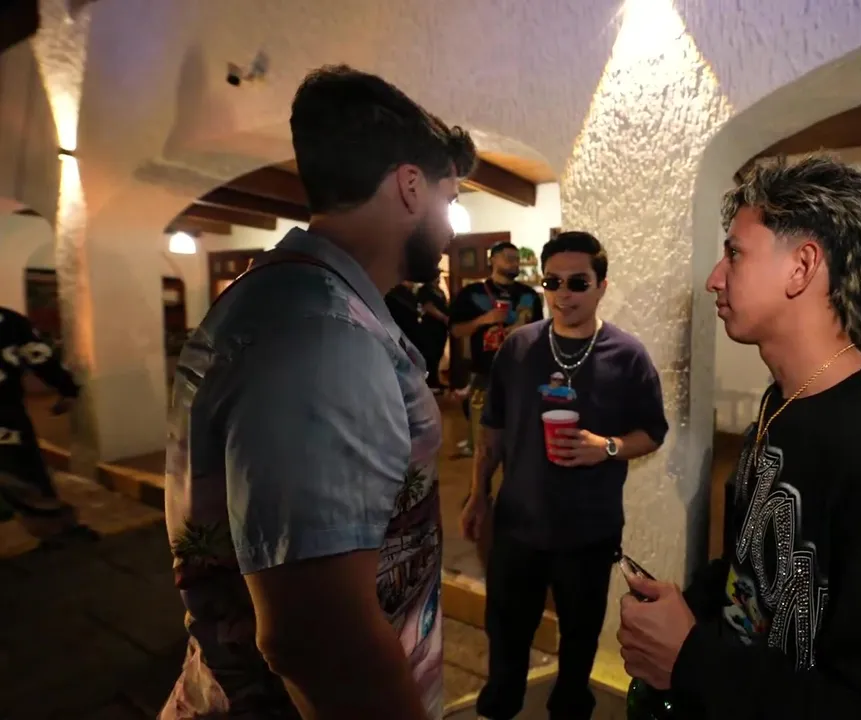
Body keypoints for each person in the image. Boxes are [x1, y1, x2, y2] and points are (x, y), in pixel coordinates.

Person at [616, 156, 861, 719]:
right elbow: (758, 569)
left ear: (802, 267)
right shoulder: (782, 404)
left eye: (734, 253)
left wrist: (692, 659)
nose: (714, 278)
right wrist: (690, 609)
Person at [161, 65, 475, 719]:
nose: (452, 226)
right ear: (410, 187)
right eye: (449, 198)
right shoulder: (325, 334)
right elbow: (316, 636)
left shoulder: (311, 301)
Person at [460, 231, 668, 720]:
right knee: (506, 636)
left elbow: (652, 432)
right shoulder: (518, 347)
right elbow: (492, 430)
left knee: (579, 641)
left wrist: (607, 447)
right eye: (552, 282)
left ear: (601, 286)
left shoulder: (627, 355)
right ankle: (499, 709)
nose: (563, 294)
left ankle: (570, 709)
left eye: (578, 282)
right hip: (518, 525)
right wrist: (478, 495)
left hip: (588, 529)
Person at [0, 306, 97, 548]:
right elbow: (38, 356)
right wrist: (67, 388)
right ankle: (56, 529)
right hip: (4, 417)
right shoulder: (8, 322)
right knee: (23, 473)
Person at [449, 241, 543, 455]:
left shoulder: (529, 295)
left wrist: (520, 329)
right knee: (483, 442)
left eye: (517, 259)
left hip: (522, 372)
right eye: (509, 258)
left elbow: (540, 333)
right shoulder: (471, 293)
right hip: (484, 374)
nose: (514, 263)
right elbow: (456, 331)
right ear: (492, 260)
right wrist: (485, 319)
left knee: (520, 440)